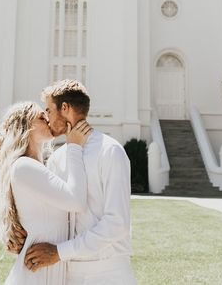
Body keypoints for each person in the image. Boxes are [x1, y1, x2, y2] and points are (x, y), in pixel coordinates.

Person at [23, 80, 137, 285]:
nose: (46, 118)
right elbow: (49, 213)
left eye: (48, 110)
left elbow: (117, 223)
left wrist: (60, 252)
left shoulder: (110, 151)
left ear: (65, 108)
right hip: (68, 272)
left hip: (110, 273)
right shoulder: (58, 158)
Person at [0, 100, 92, 284]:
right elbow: (76, 201)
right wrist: (74, 147)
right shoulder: (24, 166)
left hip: (48, 270)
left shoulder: (39, 168)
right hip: (36, 274)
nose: (48, 119)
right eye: (41, 116)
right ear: (25, 127)